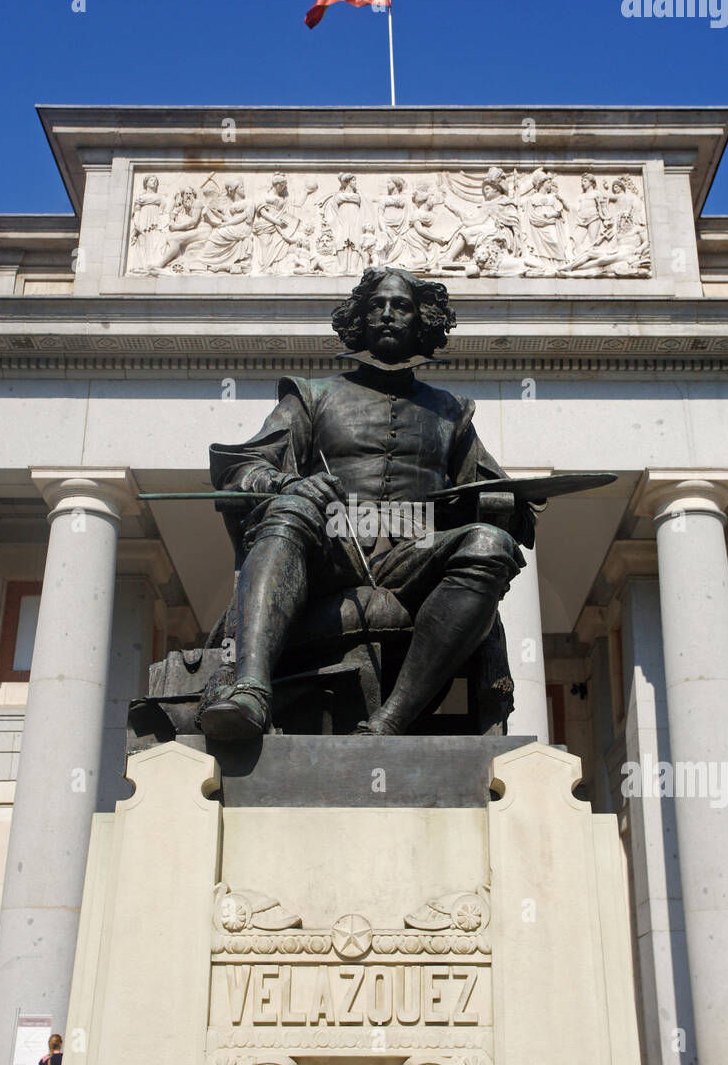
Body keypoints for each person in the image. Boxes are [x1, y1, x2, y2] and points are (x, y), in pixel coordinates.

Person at [199, 266, 536, 741]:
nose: (387, 314)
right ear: (357, 319)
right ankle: (250, 693)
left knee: (489, 544)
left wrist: (504, 505)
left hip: (412, 552)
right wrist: (284, 483)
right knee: (290, 509)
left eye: (400, 306)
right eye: (375, 305)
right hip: (328, 549)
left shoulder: (452, 413)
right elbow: (241, 469)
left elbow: (500, 505)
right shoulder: (311, 395)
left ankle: (391, 720)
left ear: (423, 320)